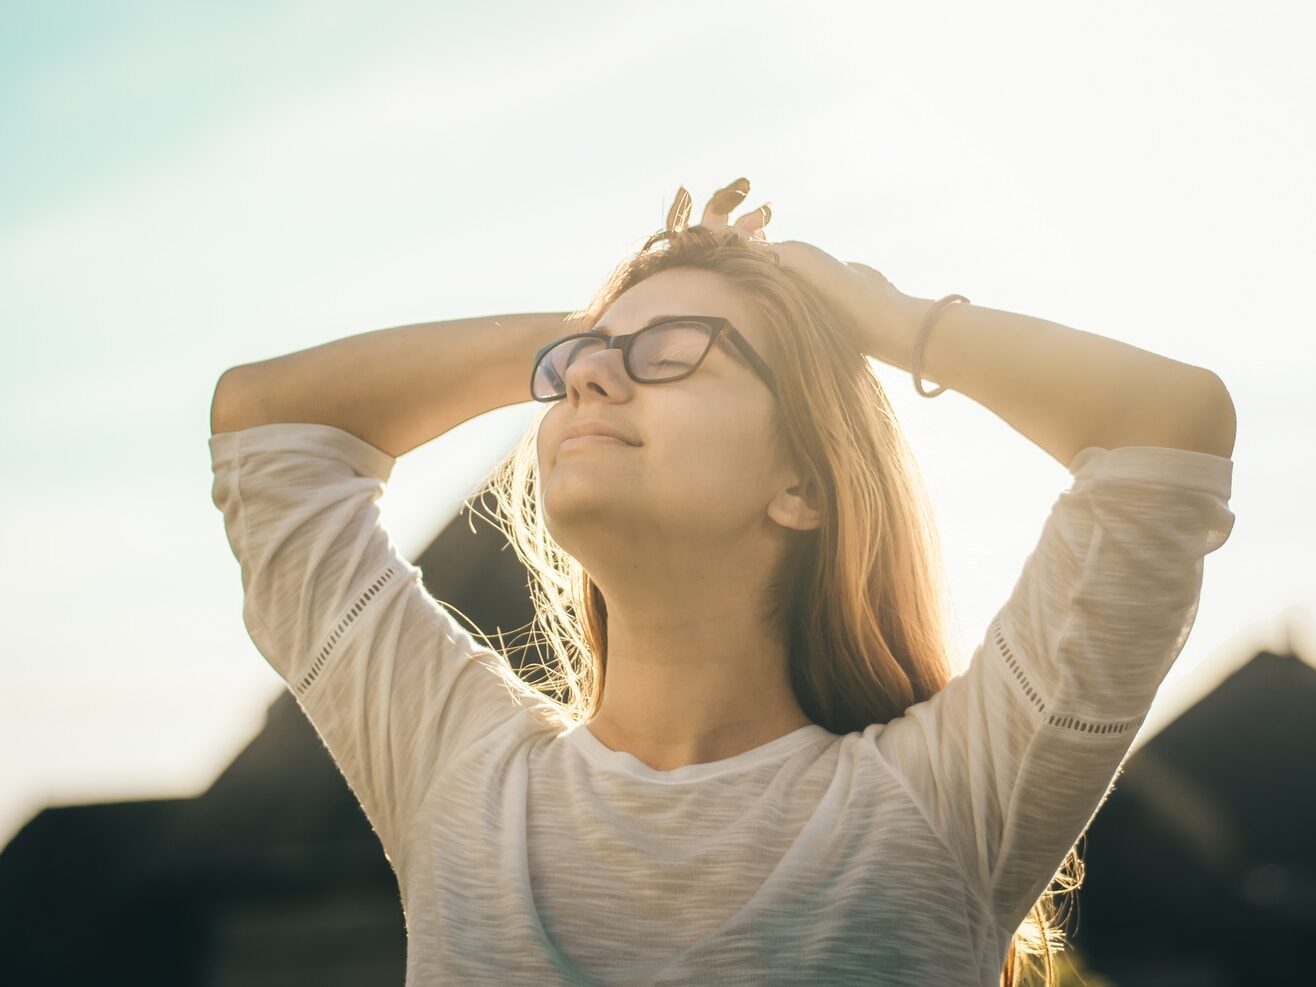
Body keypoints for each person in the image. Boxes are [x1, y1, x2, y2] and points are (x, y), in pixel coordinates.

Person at [208, 178, 1237, 986]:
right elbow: (266, 424)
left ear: (801, 482)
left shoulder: (944, 799)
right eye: (575, 367)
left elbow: (1164, 429)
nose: (589, 378)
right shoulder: (460, 776)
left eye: (672, 355)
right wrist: (589, 327)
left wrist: (878, 317)